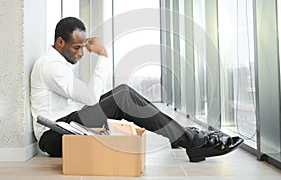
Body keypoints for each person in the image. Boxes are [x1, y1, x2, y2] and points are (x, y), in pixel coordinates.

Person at [30, 17, 243, 162]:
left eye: (82, 47)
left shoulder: (57, 62)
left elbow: (88, 100)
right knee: (122, 97)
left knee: (122, 92)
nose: (81, 53)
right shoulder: (51, 66)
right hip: (55, 135)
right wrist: (102, 57)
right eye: (77, 48)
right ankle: (190, 141)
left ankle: (182, 136)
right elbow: (91, 97)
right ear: (60, 42)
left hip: (68, 125)